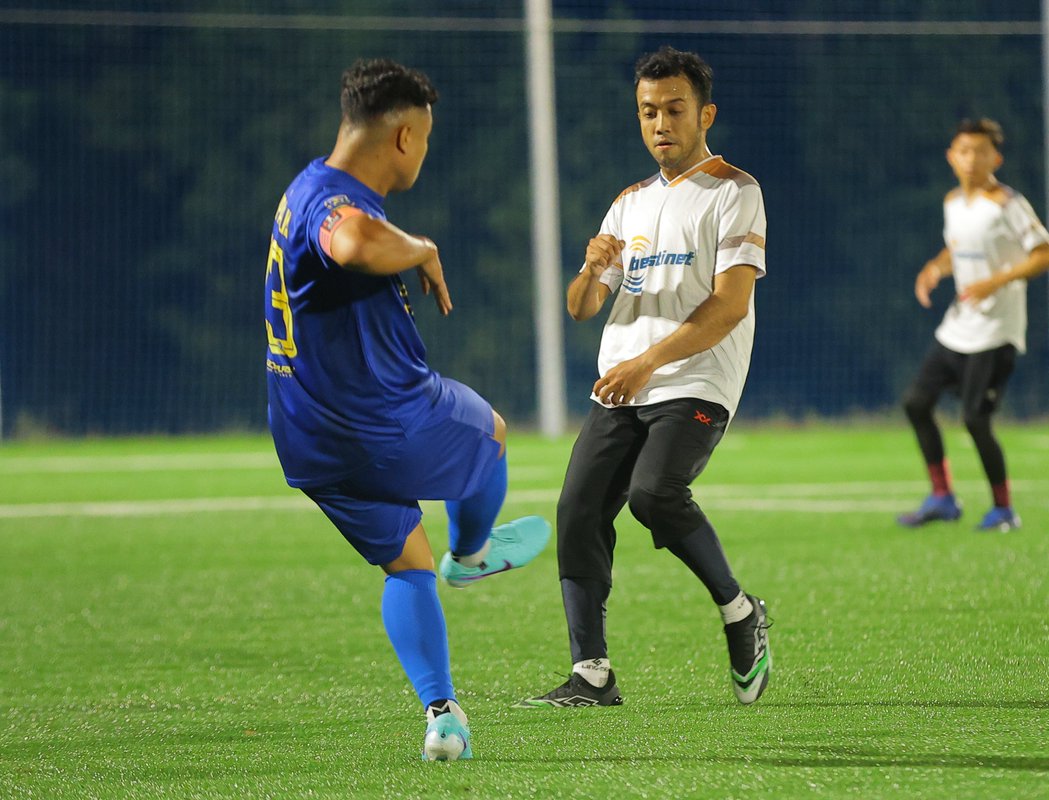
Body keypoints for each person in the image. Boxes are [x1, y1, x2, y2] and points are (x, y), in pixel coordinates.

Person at [263, 58, 549, 761]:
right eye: (424, 138)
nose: (424, 150)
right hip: (381, 424)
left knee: (406, 565)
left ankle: (443, 716)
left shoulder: (303, 188)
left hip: (306, 441)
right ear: (403, 137)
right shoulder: (336, 207)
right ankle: (474, 553)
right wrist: (421, 246)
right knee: (492, 432)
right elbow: (351, 241)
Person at [519, 46, 771, 709]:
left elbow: (730, 305)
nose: (661, 123)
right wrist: (588, 268)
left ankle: (741, 611)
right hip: (623, 383)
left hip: (692, 379)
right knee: (577, 512)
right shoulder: (628, 204)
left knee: (655, 495)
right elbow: (583, 307)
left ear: (704, 114)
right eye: (648, 111)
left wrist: (645, 362)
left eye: (674, 109)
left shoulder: (735, 192)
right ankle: (592, 674)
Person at [898, 118, 1049, 533]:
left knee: (974, 419)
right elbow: (958, 249)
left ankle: (1004, 510)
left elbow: (1046, 255)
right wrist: (935, 268)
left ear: (996, 158)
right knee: (916, 403)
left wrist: (997, 279)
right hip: (958, 327)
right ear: (952, 157)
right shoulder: (953, 201)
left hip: (996, 332)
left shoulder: (1008, 203)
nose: (972, 159)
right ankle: (942, 498)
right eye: (964, 151)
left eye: (981, 151)